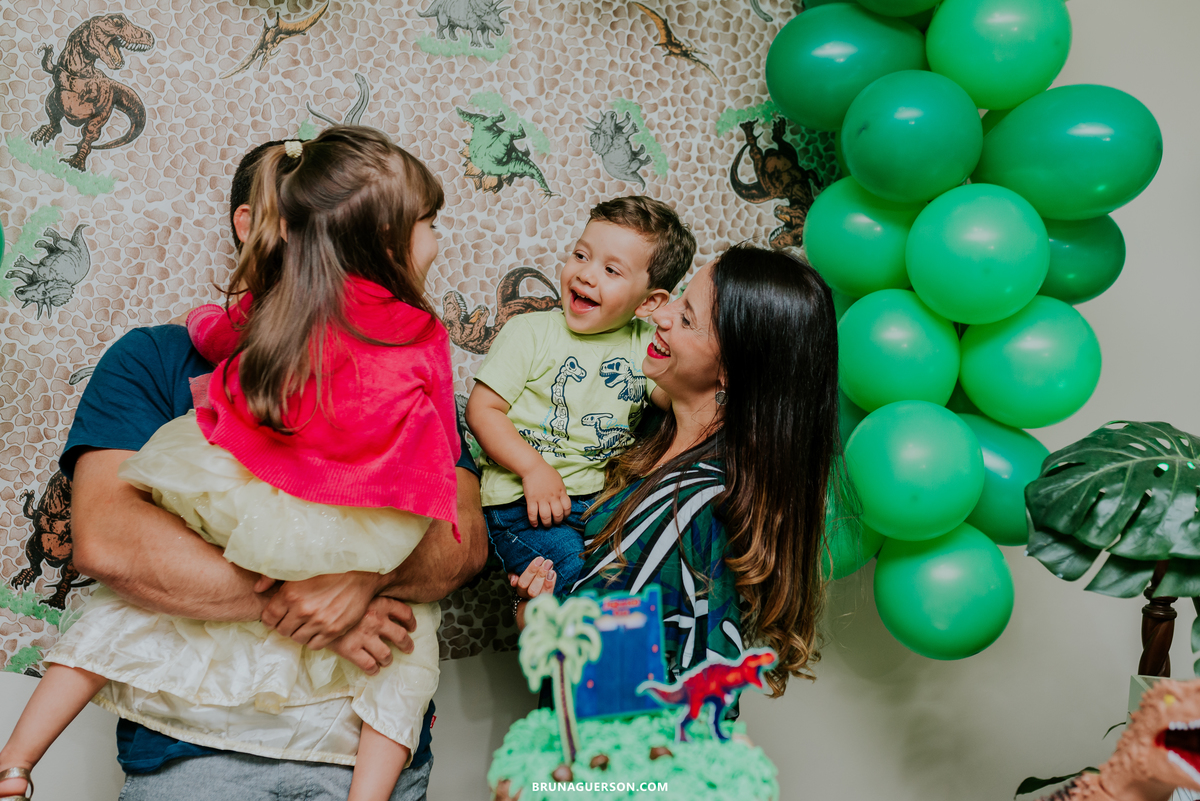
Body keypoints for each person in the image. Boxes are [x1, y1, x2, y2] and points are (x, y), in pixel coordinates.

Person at [0, 127, 488, 801]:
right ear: (263, 224)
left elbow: (459, 537)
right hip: (198, 764)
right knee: (112, 616)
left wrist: (357, 584)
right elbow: (109, 540)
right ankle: (15, 765)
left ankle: (14, 762)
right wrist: (311, 596)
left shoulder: (396, 352)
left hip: (364, 754)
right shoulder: (152, 359)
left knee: (408, 660)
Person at [513, 244, 845, 694]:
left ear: (731, 370)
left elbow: (603, 675)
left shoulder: (693, 501)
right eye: (678, 299)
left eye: (687, 318)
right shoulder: (650, 428)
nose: (661, 315)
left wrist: (534, 615)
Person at [466, 196, 696, 595]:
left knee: (638, 579)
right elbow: (483, 410)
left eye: (610, 270)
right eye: (580, 255)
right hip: (525, 506)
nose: (586, 275)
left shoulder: (646, 344)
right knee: (579, 588)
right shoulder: (531, 331)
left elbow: (676, 403)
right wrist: (533, 469)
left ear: (649, 303)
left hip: (600, 504)